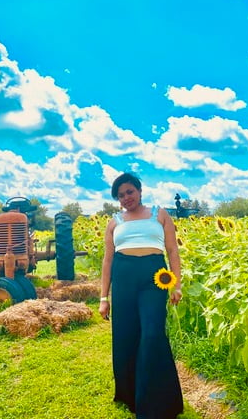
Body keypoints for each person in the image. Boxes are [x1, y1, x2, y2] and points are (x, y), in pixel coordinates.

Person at [99, 172, 184, 418]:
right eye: (121, 195)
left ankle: (156, 403)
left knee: (152, 333)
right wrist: (104, 298)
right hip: (123, 278)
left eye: (130, 192)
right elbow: (107, 261)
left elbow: (172, 250)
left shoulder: (160, 214)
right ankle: (130, 396)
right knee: (126, 336)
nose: (126, 198)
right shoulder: (115, 221)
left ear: (139, 191)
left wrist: (176, 284)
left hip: (154, 278)